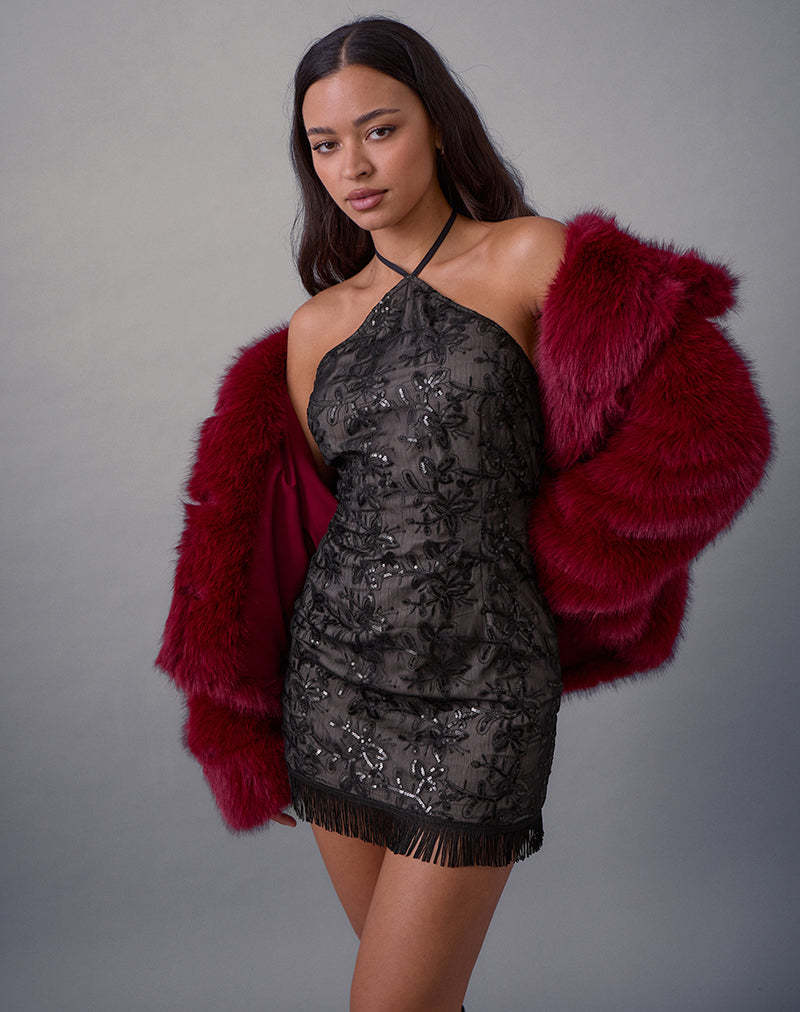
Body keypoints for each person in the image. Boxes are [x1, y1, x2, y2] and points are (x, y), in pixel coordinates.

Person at [155, 16, 774, 1011]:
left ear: (437, 125)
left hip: (484, 690)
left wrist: (572, 559)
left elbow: (714, 426)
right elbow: (296, 529)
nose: (353, 166)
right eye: (324, 144)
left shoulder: (528, 256)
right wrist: (243, 723)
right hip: (334, 688)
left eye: (379, 129)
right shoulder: (314, 328)